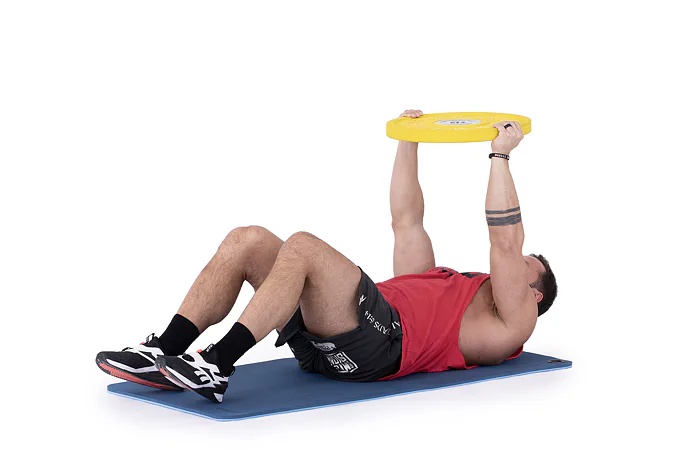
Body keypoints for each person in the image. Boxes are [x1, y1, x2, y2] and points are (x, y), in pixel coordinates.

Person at [96, 109, 558, 403]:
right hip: (331, 342)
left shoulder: (513, 321)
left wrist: (500, 156)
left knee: (302, 246)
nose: (515, 262)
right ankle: (165, 350)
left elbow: (504, 242)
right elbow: (406, 221)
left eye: (526, 265)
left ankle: (217, 363)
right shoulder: (443, 281)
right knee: (247, 239)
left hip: (381, 344)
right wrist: (409, 139)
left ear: (534, 295)